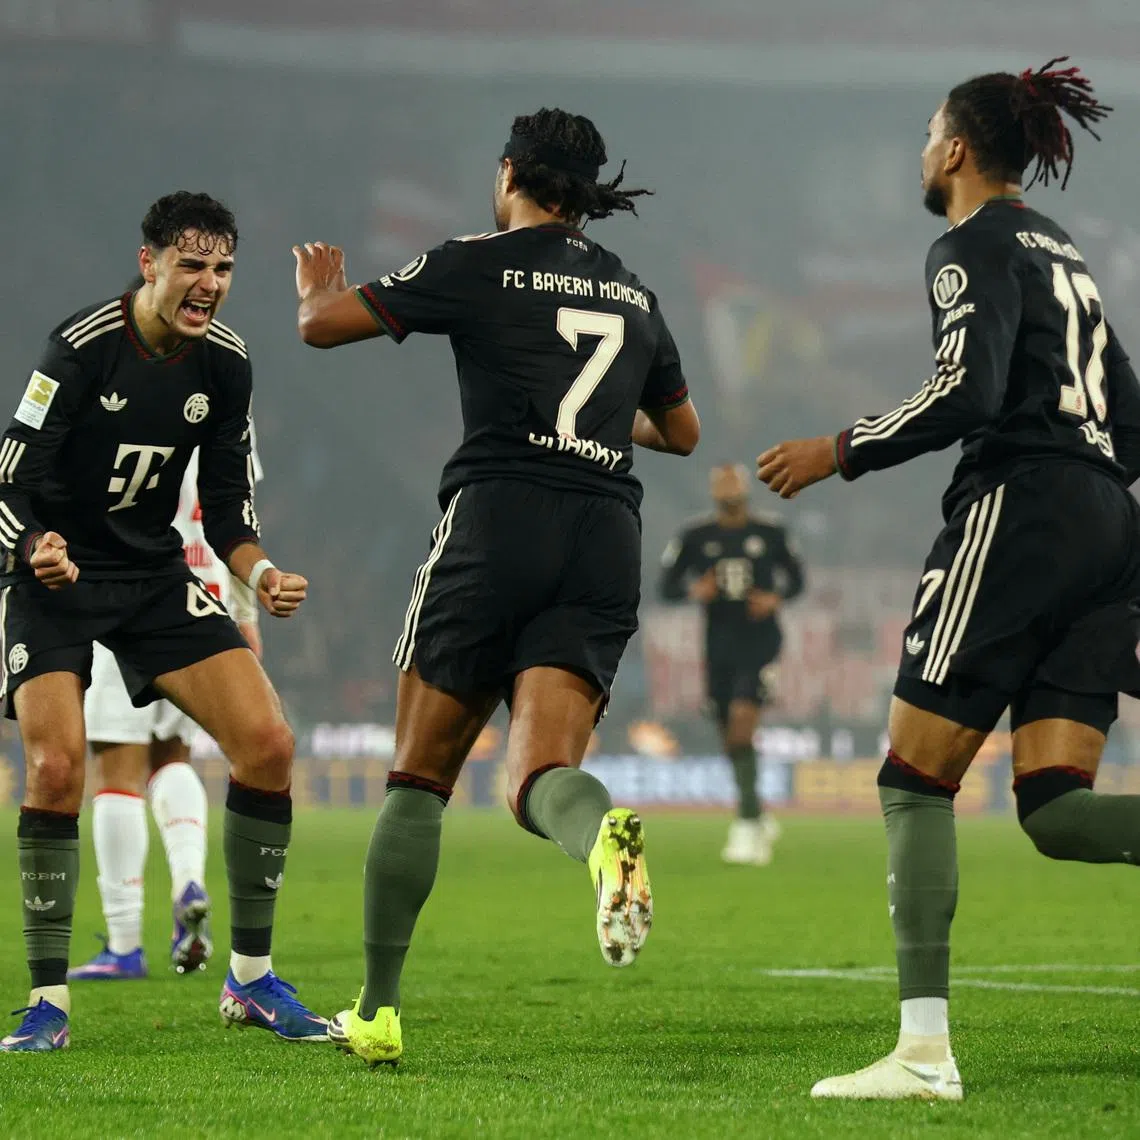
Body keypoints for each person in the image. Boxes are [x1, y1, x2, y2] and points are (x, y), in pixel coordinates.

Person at [758, 59, 1140, 1101]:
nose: (922, 150)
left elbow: (966, 392)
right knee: (1057, 808)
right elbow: (1133, 419)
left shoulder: (969, 246)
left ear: (959, 149)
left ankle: (923, 1057)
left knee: (913, 778)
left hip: (1024, 510)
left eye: (929, 133)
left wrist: (839, 448)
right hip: (1109, 518)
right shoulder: (1069, 256)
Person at [293, 107, 700, 1066]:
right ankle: (600, 839)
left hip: (500, 518)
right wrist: (596, 417)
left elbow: (321, 330)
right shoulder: (634, 293)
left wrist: (318, 288)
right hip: (605, 533)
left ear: (511, 173)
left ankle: (378, 1013)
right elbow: (681, 433)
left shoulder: (476, 262)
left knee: (418, 777)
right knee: (536, 777)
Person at [0, 192, 325, 1052]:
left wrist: (262, 573)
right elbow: (8, 482)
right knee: (57, 768)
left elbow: (227, 505)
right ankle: (47, 1004)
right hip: (55, 576)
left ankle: (250, 980)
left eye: (223, 268)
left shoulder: (226, 364)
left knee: (269, 744)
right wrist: (34, 545)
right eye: (192, 265)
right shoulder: (79, 349)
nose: (209, 284)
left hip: (151, 576)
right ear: (148, 263)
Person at [68, 438, 263, 981]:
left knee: (117, 771)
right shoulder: (231, 410)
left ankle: (125, 944)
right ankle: (187, 883)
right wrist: (245, 613)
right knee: (173, 757)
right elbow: (240, 510)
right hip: (204, 601)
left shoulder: (127, 399)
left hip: (127, 591)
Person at [659, 462, 804, 864]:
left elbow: (798, 580)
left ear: (744, 489)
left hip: (760, 642)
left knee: (742, 724)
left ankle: (747, 825)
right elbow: (666, 586)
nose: (728, 490)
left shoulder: (771, 533)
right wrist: (694, 589)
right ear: (713, 492)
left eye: (733, 483)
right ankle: (756, 809)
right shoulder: (695, 536)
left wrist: (775, 598)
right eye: (721, 484)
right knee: (730, 736)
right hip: (718, 645)